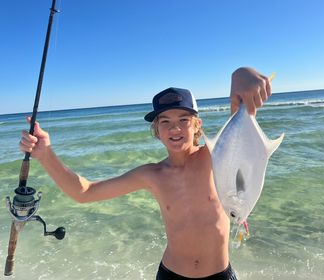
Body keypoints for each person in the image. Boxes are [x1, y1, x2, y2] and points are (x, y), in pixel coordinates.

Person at [19, 67, 273, 280]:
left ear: (197, 125)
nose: (175, 127)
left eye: (184, 119)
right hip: (172, 275)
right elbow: (84, 192)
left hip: (220, 275)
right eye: (165, 121)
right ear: (156, 130)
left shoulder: (215, 157)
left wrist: (240, 75)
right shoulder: (152, 175)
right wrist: (45, 154)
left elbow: (240, 118)